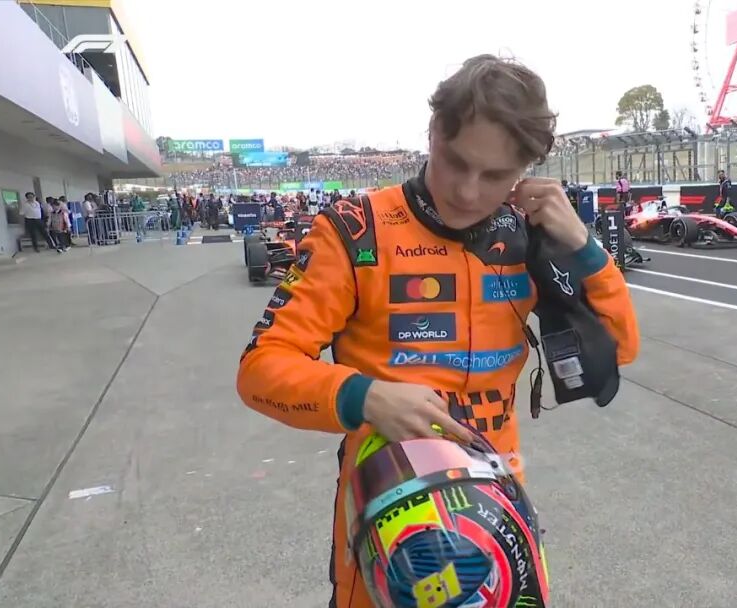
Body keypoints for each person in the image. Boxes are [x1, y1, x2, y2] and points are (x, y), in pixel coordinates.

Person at [235, 54, 639, 608]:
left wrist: (585, 250)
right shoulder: (355, 231)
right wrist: (362, 395)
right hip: (390, 524)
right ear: (432, 133)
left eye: (495, 176)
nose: (468, 192)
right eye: (456, 162)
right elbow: (260, 369)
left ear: (525, 170)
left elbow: (618, 349)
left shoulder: (532, 234)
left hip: (498, 518)